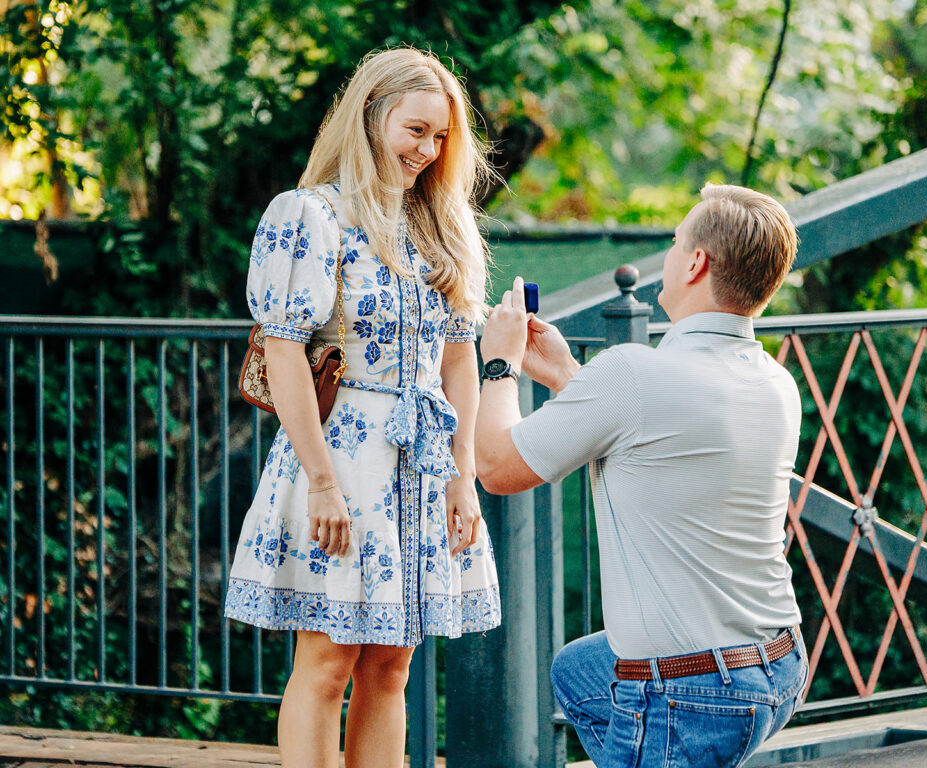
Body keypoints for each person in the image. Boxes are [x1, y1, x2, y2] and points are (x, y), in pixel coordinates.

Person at [224, 48, 501, 768]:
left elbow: (459, 359)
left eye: (441, 138)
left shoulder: (441, 224)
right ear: (371, 115)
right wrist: (321, 480)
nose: (428, 151)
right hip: (341, 457)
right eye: (416, 130)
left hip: (421, 464)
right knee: (327, 661)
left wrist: (461, 474)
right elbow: (283, 349)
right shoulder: (311, 215)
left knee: (392, 666)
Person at [475, 183, 807, 768]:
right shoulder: (776, 383)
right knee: (578, 674)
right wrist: (567, 377)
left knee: (627, 695)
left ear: (697, 262)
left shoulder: (633, 374)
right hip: (778, 660)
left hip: (693, 688)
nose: (671, 254)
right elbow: (654, 438)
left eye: (677, 242)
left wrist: (499, 362)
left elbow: (498, 468)